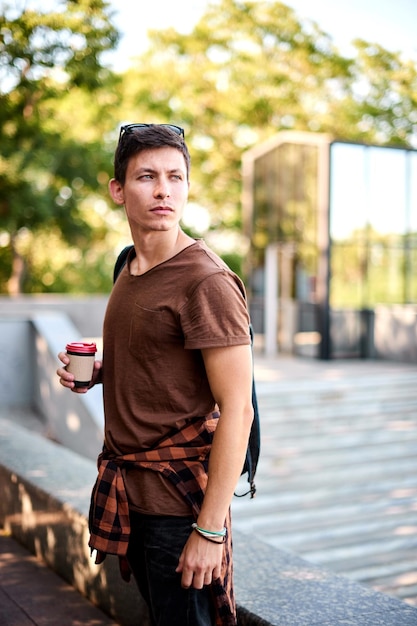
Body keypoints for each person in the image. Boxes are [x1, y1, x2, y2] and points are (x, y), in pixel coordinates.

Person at [56, 123, 254, 626]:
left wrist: (208, 531)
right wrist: (104, 372)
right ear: (118, 190)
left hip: (178, 508)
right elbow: (157, 362)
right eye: (147, 176)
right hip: (130, 497)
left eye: (175, 177)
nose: (164, 190)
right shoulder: (130, 266)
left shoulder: (206, 281)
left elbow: (238, 409)